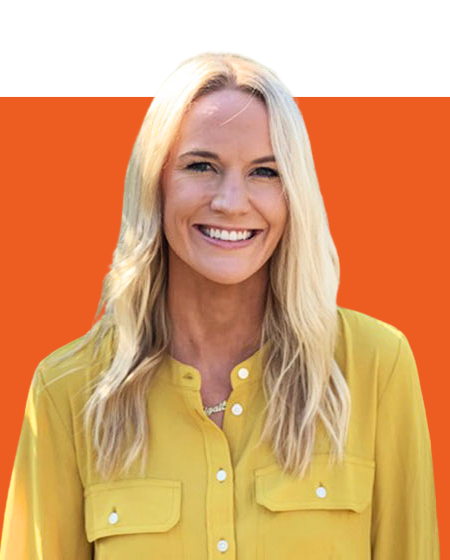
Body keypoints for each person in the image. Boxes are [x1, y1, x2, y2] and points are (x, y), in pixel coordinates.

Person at [0, 52, 439, 559]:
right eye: (201, 166)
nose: (231, 202)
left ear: (294, 195)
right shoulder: (67, 390)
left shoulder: (377, 367)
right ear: (155, 183)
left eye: (265, 172)